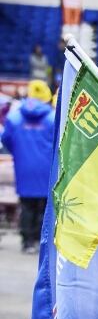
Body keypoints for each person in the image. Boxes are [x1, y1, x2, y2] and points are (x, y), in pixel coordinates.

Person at [1, 80, 55, 253]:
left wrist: (21, 153)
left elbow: (6, 140)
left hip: (23, 168)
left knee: (26, 205)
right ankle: (41, 241)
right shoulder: (53, 118)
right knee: (44, 207)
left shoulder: (14, 117)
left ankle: (27, 241)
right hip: (46, 169)